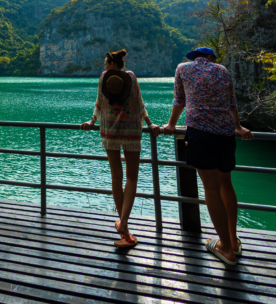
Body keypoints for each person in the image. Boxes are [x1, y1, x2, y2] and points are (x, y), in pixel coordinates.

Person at [153, 46, 253, 265]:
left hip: (201, 133)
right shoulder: (223, 70)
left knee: (210, 188)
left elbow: (179, 100)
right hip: (226, 134)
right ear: (210, 58)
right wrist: (238, 126)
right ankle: (233, 241)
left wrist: (171, 125)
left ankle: (225, 248)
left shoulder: (183, 68)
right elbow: (232, 102)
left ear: (197, 58)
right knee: (226, 183)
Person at [81, 49, 153, 248]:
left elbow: (99, 103)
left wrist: (92, 120)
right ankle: (124, 223)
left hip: (109, 131)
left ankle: (124, 226)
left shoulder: (104, 78)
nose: (104, 67)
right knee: (132, 177)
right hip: (131, 131)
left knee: (116, 177)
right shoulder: (131, 77)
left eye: (105, 63)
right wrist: (150, 124)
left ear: (112, 64)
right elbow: (139, 104)